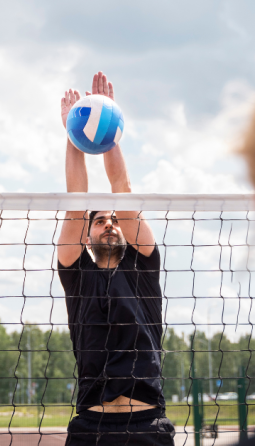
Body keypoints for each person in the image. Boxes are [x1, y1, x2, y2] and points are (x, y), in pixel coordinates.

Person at [56, 72, 171, 445]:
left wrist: (107, 128)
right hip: (91, 427)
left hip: (147, 425)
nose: (109, 223)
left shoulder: (144, 268)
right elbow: (76, 202)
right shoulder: (77, 274)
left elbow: (123, 191)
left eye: (114, 219)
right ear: (87, 235)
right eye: (100, 219)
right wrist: (75, 133)